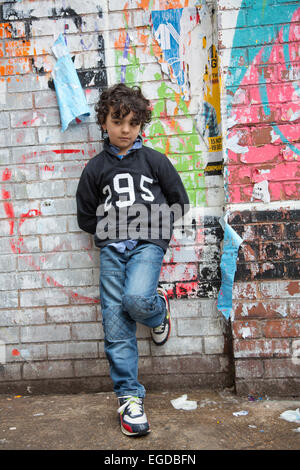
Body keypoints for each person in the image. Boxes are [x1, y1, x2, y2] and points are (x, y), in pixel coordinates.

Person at [76, 83, 189, 437]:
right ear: (104, 122)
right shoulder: (96, 168)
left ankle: (157, 311)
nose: (125, 130)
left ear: (142, 125)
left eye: (133, 123)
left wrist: (153, 229)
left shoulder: (154, 160)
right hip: (111, 249)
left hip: (146, 245)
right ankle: (129, 398)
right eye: (118, 121)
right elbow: (85, 217)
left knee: (137, 300)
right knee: (115, 324)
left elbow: (179, 202)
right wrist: (111, 230)